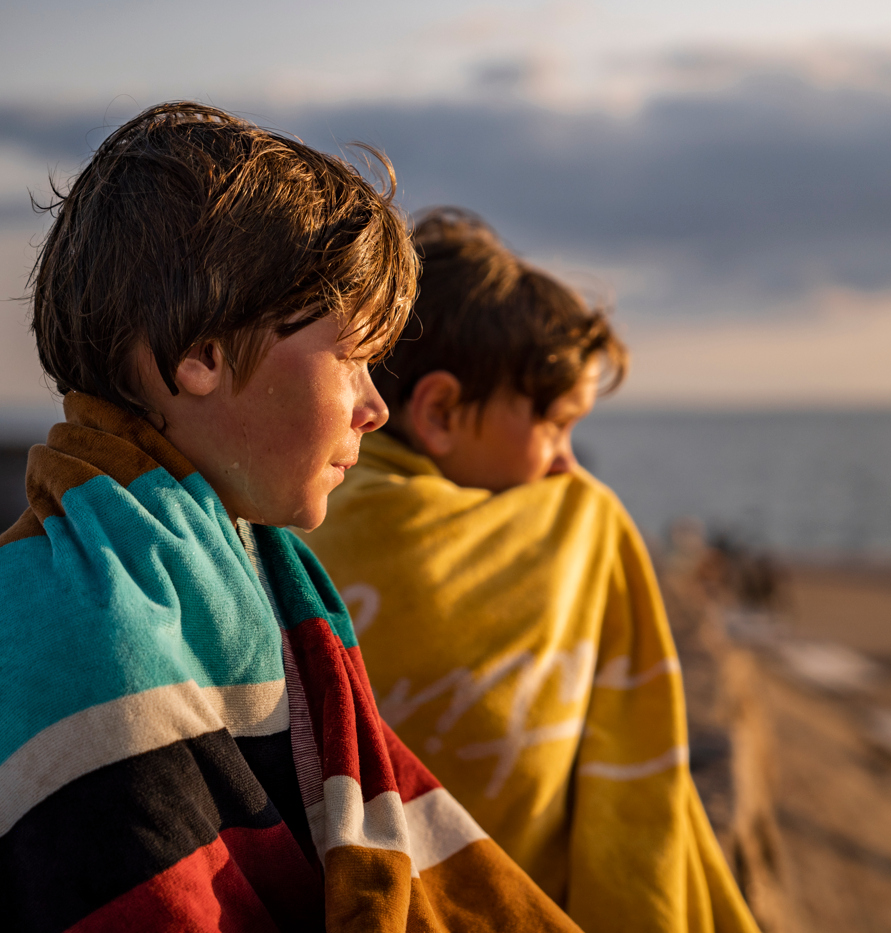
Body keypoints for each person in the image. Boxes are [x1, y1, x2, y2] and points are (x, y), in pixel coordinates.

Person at [0, 104, 579, 932]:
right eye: (352, 358)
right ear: (200, 353)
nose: (376, 406)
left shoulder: (233, 571)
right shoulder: (77, 642)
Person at [301, 209, 760, 933]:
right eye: (554, 423)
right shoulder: (580, 522)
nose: (566, 463)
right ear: (443, 411)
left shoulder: (302, 515)